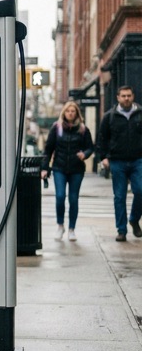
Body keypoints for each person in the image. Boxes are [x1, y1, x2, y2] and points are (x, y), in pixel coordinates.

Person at [41, 101, 94, 242]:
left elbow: (90, 147)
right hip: (59, 168)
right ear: (64, 113)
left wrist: (85, 154)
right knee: (59, 197)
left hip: (77, 169)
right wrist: (44, 168)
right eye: (68, 111)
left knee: (73, 199)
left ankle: (71, 229)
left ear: (77, 113)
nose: (70, 113)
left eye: (73, 111)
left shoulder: (83, 129)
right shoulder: (56, 128)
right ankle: (60, 226)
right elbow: (48, 149)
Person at [95, 85, 142, 242]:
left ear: (133, 96)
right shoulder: (110, 116)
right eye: (123, 96)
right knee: (119, 197)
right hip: (117, 161)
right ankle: (121, 230)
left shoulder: (140, 114)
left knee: (140, 190)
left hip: (138, 160)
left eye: (129, 95)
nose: (126, 98)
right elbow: (102, 138)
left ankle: (134, 219)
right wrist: (103, 157)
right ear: (118, 97)